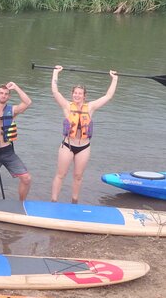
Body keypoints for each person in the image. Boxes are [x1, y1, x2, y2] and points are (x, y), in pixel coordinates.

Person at [50, 66, 118, 203]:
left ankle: (74, 201)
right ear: (72, 94)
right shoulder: (67, 106)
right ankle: (53, 201)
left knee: (78, 176)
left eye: (80, 93)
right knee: (61, 175)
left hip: (84, 147)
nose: (77, 95)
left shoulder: (91, 107)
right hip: (67, 145)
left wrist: (114, 79)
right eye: (75, 93)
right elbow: (55, 91)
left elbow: (108, 96)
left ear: (84, 96)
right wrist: (55, 73)